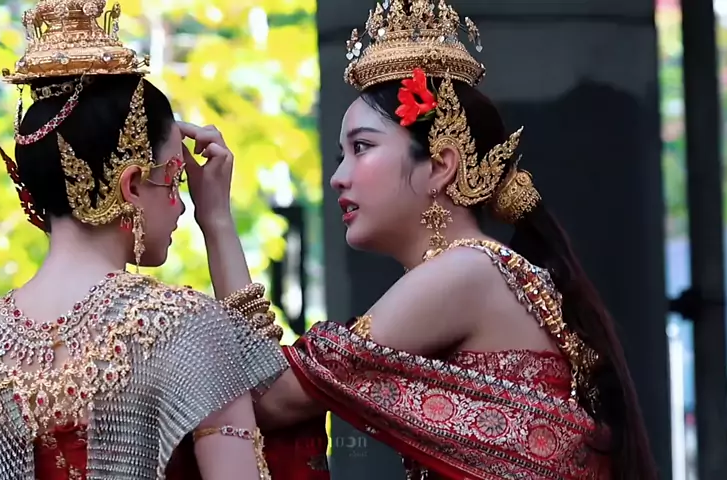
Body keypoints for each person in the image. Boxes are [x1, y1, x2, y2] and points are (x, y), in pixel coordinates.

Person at [190, 0, 658, 478]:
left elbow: (271, 395)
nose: (338, 177)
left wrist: (217, 221)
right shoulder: (490, 271)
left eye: (362, 147)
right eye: (340, 156)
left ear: (439, 165)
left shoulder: (467, 272)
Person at [0, 1, 286, 478]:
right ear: (132, 186)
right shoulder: (185, 327)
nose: (182, 207)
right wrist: (219, 223)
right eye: (175, 180)